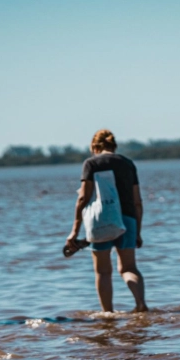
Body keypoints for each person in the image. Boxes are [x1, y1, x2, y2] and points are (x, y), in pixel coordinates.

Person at [66, 129, 147, 313]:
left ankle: (107, 313)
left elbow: (83, 198)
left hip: (100, 222)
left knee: (103, 271)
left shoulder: (91, 163)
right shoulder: (127, 163)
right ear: (114, 145)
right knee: (128, 268)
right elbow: (137, 201)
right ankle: (140, 302)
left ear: (95, 146)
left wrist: (74, 231)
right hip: (127, 220)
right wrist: (138, 231)